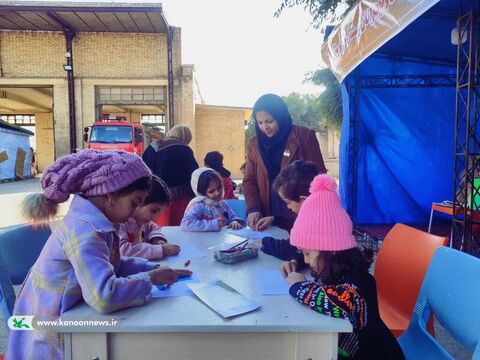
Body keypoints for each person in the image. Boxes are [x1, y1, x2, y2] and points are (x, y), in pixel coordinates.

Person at [7, 149, 192, 360]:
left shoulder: (97, 222)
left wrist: (152, 269)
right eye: (134, 203)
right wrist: (149, 279)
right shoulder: (86, 230)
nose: (134, 212)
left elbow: (113, 264)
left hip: (69, 315)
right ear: (110, 194)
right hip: (55, 330)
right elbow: (104, 297)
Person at [281, 174, 405, 360]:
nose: (306, 261)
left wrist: (299, 285)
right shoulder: (338, 270)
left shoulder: (360, 283)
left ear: (331, 251)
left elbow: (337, 302)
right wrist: (297, 261)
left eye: (307, 254)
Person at [243, 93, 327, 231]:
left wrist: (311, 210)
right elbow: (249, 181)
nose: (265, 127)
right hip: (267, 212)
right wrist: (254, 208)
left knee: (301, 249)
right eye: (260, 123)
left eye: (269, 121)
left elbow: (319, 178)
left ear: (280, 117)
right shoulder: (254, 144)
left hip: (300, 212)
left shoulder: (304, 136)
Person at [261, 160, 319, 261]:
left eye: (288, 202)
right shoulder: (320, 211)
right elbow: (293, 223)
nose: (288, 207)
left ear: (303, 200)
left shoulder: (314, 223)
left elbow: (288, 249)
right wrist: (274, 219)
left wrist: (263, 241)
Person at [142, 124, 199, 226]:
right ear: (185, 138)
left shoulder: (152, 147)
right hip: (180, 199)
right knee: (178, 228)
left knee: (156, 229)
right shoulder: (184, 149)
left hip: (153, 196)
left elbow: (143, 169)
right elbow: (194, 175)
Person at [119, 175, 181, 260]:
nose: (154, 218)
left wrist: (157, 239)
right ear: (139, 202)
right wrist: (160, 250)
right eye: (154, 211)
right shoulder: (120, 222)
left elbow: (153, 227)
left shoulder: (144, 221)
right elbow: (122, 251)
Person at [181, 167, 244, 232]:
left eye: (219, 187)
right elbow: (185, 224)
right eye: (211, 191)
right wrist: (211, 225)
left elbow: (233, 217)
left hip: (222, 241)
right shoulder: (199, 206)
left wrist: (235, 222)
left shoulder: (223, 204)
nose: (217, 193)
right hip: (204, 241)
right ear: (202, 193)